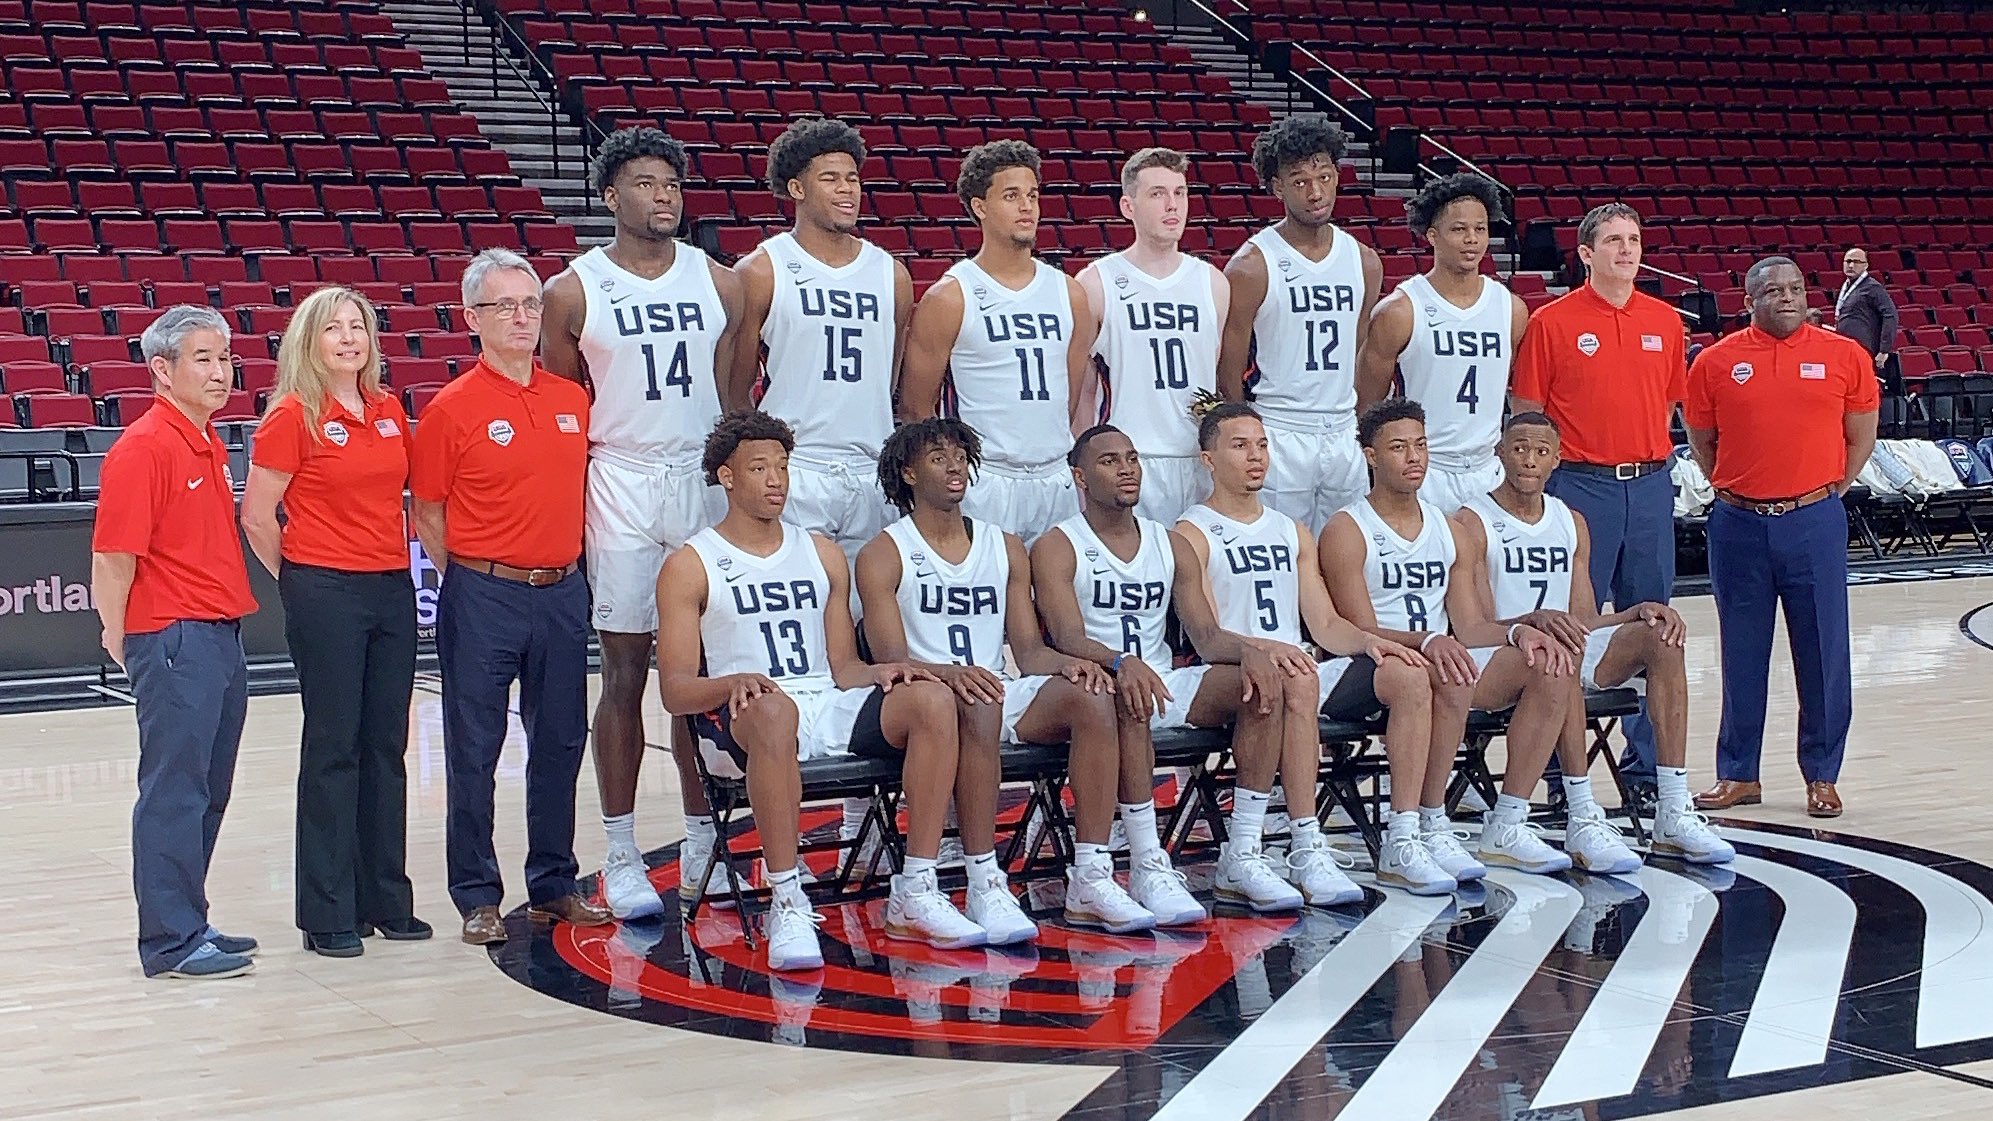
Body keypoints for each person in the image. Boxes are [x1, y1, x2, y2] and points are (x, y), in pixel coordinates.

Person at [657, 410, 978, 970]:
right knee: (775, 711)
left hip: (825, 701)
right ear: (727, 477)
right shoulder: (690, 563)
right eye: (760, 468)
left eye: (782, 467)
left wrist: (883, 673)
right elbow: (676, 690)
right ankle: (786, 897)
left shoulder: (823, 552)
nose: (777, 479)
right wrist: (734, 681)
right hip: (742, 715)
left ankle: (916, 889)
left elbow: (843, 668)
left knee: (930, 698)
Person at [540, 126, 745, 921]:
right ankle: (621, 850)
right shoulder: (573, 290)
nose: (664, 196)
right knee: (624, 673)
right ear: (609, 196)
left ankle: (703, 837)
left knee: (704, 672)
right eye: (647, 183)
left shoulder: (720, 282)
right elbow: (565, 403)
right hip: (620, 475)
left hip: (698, 473)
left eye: (672, 183)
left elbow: (733, 393)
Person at [858, 417, 1142, 939]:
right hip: (931, 700)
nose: (954, 467)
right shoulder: (883, 552)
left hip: (995, 689)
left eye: (960, 456)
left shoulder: (1005, 545)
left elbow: (1030, 651)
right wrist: (951, 674)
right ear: (908, 473)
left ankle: (1092, 873)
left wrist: (1071, 664)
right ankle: (983, 877)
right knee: (978, 702)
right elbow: (893, 660)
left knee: (1093, 694)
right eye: (938, 458)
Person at [410, 249, 612, 945]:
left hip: (561, 590)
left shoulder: (570, 397)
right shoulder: (450, 409)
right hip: (483, 593)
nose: (523, 318)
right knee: (476, 747)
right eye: (505, 306)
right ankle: (476, 891)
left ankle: (554, 882)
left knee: (559, 740)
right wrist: (471, 574)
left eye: (530, 304)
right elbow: (428, 509)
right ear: (472, 319)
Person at [1033, 423, 1300, 925]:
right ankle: (1146, 863)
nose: (1127, 468)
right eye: (1110, 461)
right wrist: (1117, 661)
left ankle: (1242, 853)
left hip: (1161, 680)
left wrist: (1252, 652)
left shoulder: (1168, 542)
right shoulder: (1058, 545)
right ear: (1080, 476)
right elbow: (1065, 637)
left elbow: (1205, 636)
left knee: (1261, 686)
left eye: (1132, 458)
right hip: (1101, 683)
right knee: (1127, 693)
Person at [1174, 401, 1437, 900]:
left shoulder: (1290, 528)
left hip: (1300, 668)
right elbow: (1206, 638)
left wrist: (1371, 642)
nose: (1256, 456)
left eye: (1262, 445)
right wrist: (1265, 649)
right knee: (1295, 675)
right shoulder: (1190, 533)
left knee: (1408, 674)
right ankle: (1303, 843)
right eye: (1240, 445)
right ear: (1208, 460)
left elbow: (1325, 624)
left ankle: (1404, 839)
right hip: (1234, 676)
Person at [1455, 413, 1734, 869]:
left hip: (1560, 648)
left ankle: (1673, 809)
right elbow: (1473, 627)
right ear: (1500, 453)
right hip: (1501, 653)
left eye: (1541, 452)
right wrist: (1531, 621)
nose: (1529, 460)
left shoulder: (1571, 521)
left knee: (1662, 636)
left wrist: (1635, 613)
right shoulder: (1472, 522)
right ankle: (1582, 814)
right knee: (1556, 656)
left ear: (1557, 461)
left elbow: (1584, 620)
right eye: (1520, 448)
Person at [242, 287, 428, 957]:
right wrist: (299, 582)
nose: (350, 338)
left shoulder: (387, 408)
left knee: (385, 742)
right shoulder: (292, 415)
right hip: (325, 590)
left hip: (389, 588)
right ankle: (326, 911)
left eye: (359, 327)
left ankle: (386, 896)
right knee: (333, 747)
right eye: (334, 329)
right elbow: (258, 515)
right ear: (308, 342)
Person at [1320, 399, 1576, 883]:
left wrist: (1520, 630)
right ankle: (1408, 832)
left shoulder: (1449, 529)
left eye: (1420, 445)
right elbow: (1357, 631)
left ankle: (1507, 822)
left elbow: (1473, 628)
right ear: (1372, 457)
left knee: (1550, 661)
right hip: (1366, 668)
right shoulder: (1347, 529)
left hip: (1437, 662)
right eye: (1398, 447)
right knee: (1438, 673)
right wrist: (1428, 639)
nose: (1413, 457)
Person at [92, 305, 260, 979]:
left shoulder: (206, 439)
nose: (220, 372)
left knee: (208, 788)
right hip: (174, 636)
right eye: (203, 359)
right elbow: (113, 556)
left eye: (224, 358)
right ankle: (169, 940)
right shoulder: (146, 446)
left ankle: (190, 918)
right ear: (162, 370)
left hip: (218, 633)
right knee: (174, 789)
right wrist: (120, 632)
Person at [1685, 256, 1878, 818]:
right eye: (1773, 290)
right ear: (1749, 302)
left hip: (1814, 519)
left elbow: (1860, 434)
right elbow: (1702, 438)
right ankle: (1738, 774)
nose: (1788, 297)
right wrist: (1738, 486)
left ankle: (1822, 775)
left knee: (1823, 651)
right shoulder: (1716, 362)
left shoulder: (1845, 355)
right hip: (1738, 522)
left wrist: (1826, 489)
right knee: (1741, 652)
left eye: (1795, 288)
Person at [1510, 202, 1685, 799]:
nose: (1627, 250)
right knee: (1571, 624)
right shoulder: (1552, 322)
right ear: (1586, 254)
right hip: (1579, 485)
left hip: (1650, 482)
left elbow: (1665, 406)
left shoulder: (1666, 321)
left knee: (1653, 623)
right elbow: (1528, 413)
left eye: (1634, 240)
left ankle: (1648, 770)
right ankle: (1562, 771)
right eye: (1613, 241)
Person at [731, 116, 910, 567]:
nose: (847, 189)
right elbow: (735, 387)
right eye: (830, 178)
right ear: (796, 189)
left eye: (853, 178)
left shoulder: (891, 273)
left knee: (866, 617)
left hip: (871, 466)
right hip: (797, 465)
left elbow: (890, 376)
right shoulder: (760, 270)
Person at [899, 141, 1093, 545]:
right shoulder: (950, 296)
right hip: (986, 478)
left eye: (1033, 195)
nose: (1027, 206)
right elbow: (916, 407)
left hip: (1055, 477)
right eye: (1011, 195)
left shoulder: (1070, 294)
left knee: (1055, 603)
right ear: (980, 207)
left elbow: (1069, 399)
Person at [1217, 113, 1383, 532]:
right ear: (1277, 187)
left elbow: (1360, 352)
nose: (1316, 192)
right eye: (1300, 181)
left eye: (1324, 177)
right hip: (1280, 428)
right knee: (1281, 554)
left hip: (1342, 430)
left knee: (1345, 557)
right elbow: (1229, 364)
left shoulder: (1363, 261)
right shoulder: (1253, 264)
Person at [1355, 173, 1528, 513]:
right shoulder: (1401, 310)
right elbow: (1367, 405)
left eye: (1480, 229)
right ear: (1432, 236)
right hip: (1423, 470)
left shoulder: (1511, 309)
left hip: (1486, 471)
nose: (1472, 240)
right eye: (1459, 229)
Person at [1076, 147, 1229, 524]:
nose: (1172, 205)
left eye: (1180, 193)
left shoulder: (1213, 282)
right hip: (1130, 460)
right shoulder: (1097, 282)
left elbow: (1214, 374)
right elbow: (1083, 392)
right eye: (1157, 194)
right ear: (1128, 206)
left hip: (1199, 460)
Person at [1833, 246, 1897, 375]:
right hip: (1846, 348)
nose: (1851, 265)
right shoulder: (1845, 286)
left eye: (1856, 262)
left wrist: (1884, 350)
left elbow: (1890, 315)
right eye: (1848, 261)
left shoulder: (1873, 287)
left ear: (1866, 265)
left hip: (1863, 349)